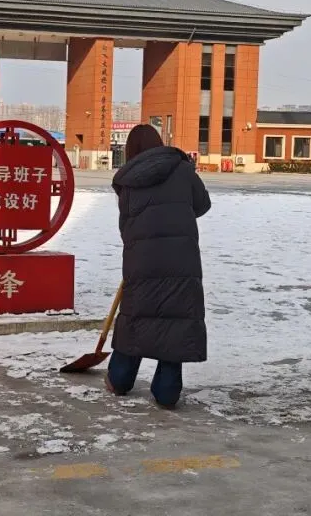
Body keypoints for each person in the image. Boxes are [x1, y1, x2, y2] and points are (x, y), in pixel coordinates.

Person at [107, 124, 211, 409]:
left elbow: (125, 223)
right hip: (181, 259)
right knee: (176, 319)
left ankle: (119, 380)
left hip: (141, 258)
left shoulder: (126, 179)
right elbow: (202, 204)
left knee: (136, 316)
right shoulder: (182, 169)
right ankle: (167, 392)